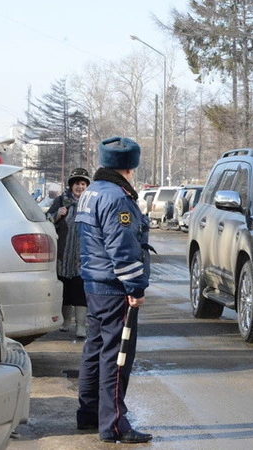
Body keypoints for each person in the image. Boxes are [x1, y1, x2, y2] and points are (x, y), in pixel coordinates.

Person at [75, 136, 153, 444]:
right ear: (130, 167)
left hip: (94, 283)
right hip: (114, 286)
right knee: (117, 358)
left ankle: (90, 414)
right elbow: (122, 247)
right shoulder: (117, 198)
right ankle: (115, 424)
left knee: (94, 351)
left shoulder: (91, 192)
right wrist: (135, 286)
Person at [46, 167, 91, 337]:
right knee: (65, 290)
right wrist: (57, 215)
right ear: (70, 186)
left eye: (83, 184)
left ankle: (81, 325)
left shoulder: (91, 203)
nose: (80, 187)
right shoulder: (61, 201)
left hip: (83, 255)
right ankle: (66, 321)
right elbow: (47, 222)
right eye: (76, 184)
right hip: (63, 254)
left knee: (80, 290)